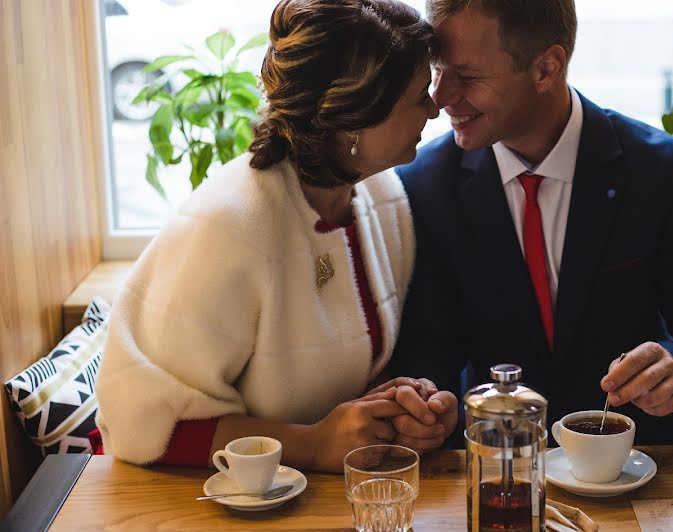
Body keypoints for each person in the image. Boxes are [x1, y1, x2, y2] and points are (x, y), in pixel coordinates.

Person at [95, 0, 456, 472]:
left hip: (309, 501)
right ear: (353, 116)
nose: (435, 108)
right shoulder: (229, 228)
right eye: (419, 95)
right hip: (192, 507)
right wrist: (312, 444)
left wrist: (398, 406)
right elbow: (140, 425)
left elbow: (343, 382)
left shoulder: (381, 198)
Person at [390, 0, 673, 445]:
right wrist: (427, 404)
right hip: (502, 472)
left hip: (647, 464)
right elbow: (429, 353)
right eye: (438, 71)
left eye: (467, 77)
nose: (439, 98)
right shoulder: (424, 186)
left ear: (546, 68)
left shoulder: (663, 172)